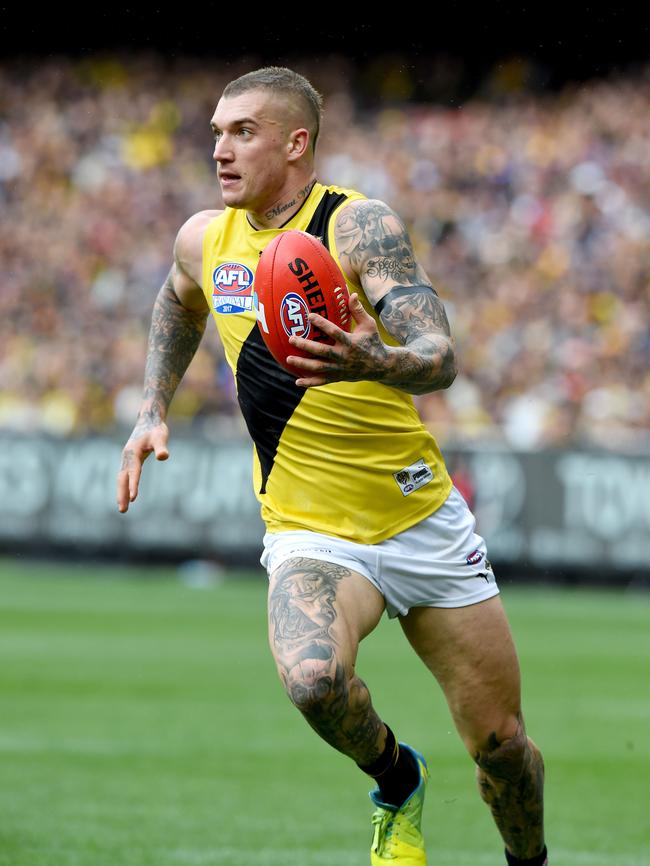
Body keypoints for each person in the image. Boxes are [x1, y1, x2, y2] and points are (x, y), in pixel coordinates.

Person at [116, 66, 547, 866]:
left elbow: (439, 355)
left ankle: (530, 860)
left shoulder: (355, 226)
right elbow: (179, 298)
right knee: (313, 678)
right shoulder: (203, 236)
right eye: (216, 131)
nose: (220, 148)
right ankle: (397, 778)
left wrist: (371, 361)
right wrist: (152, 407)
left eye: (242, 131)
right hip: (311, 530)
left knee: (502, 748)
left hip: (420, 518)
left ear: (296, 142)